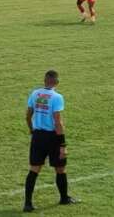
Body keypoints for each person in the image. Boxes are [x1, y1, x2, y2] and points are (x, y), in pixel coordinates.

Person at [23, 70, 77, 212]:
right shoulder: (57, 97)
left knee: (34, 169)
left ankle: (27, 204)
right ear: (57, 82)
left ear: (44, 80)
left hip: (37, 136)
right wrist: (63, 145)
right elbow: (58, 122)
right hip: (52, 138)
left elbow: (28, 116)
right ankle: (64, 198)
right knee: (60, 169)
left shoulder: (35, 94)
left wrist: (31, 129)